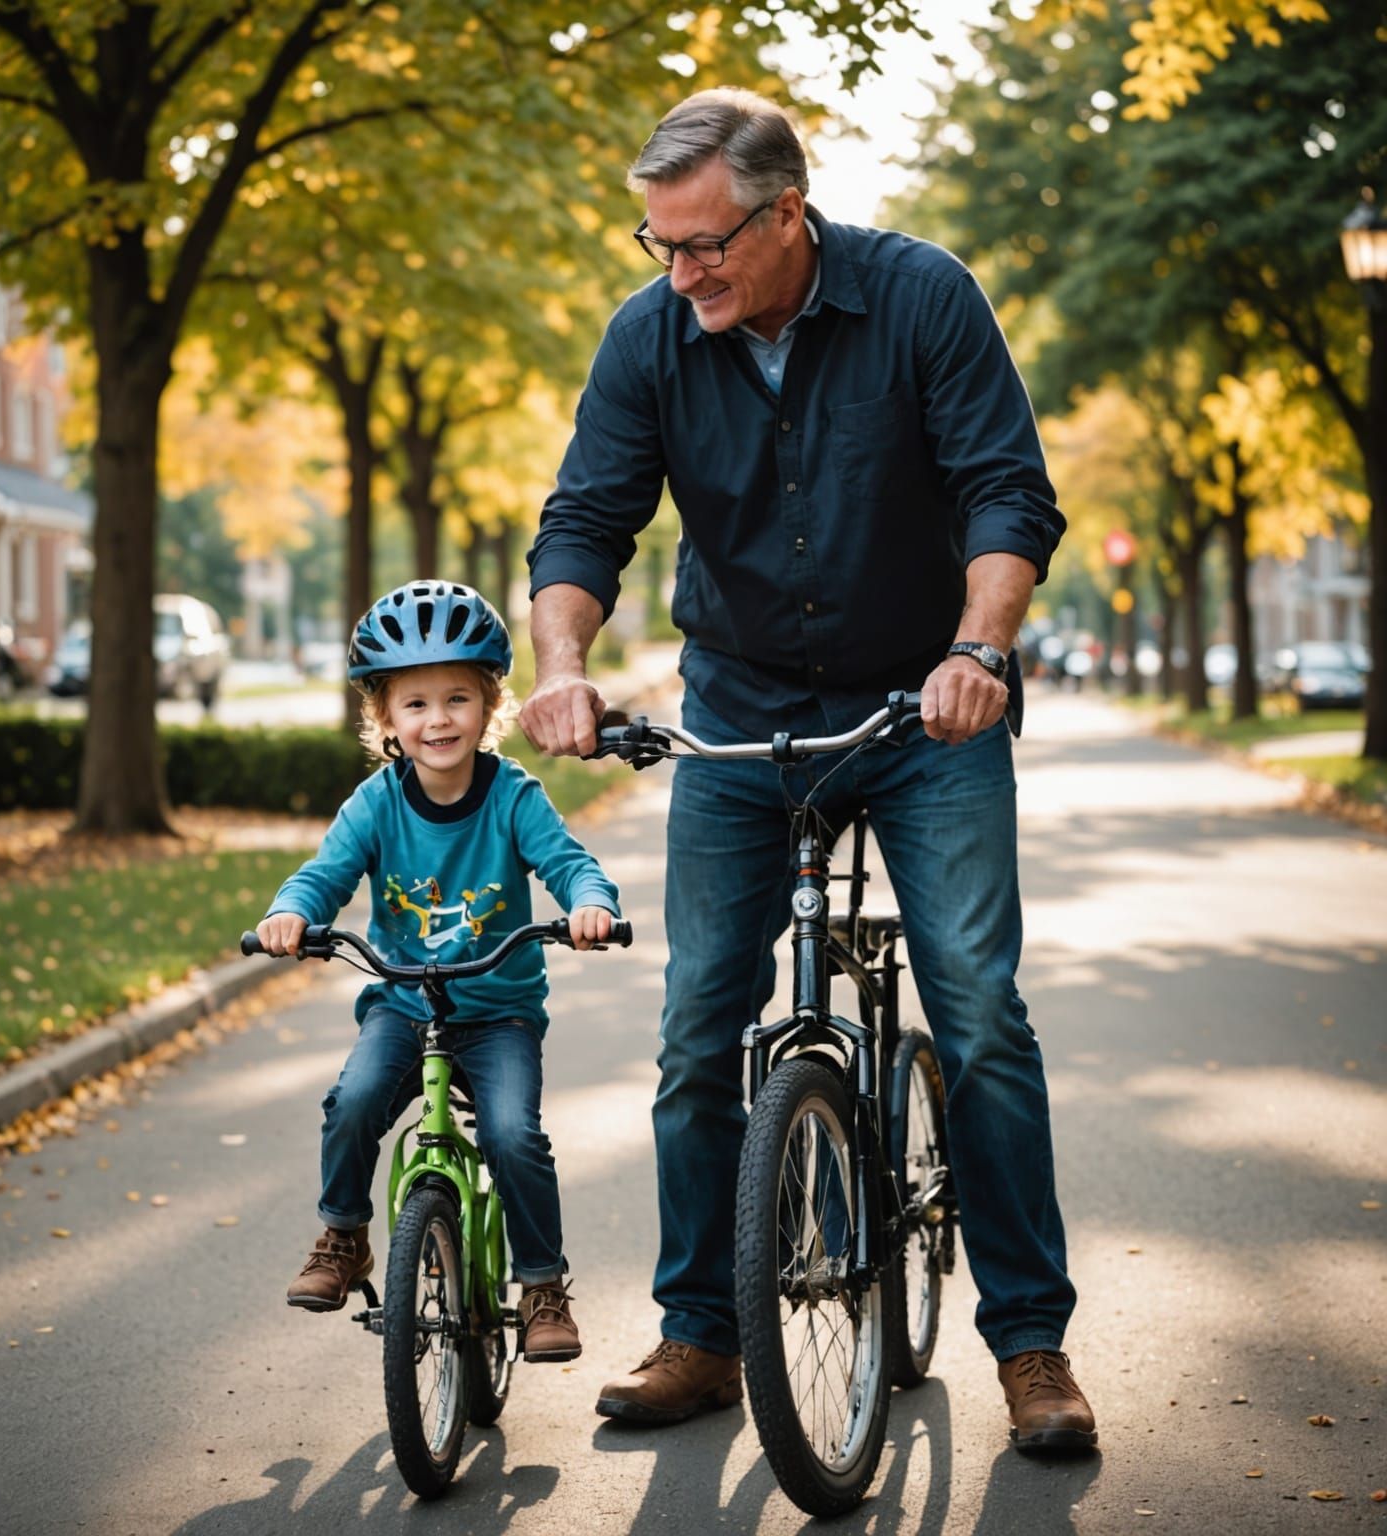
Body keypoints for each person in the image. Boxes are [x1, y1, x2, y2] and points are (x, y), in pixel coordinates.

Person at [521, 89, 1096, 1451]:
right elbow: (587, 516)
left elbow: (1008, 490)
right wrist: (560, 663)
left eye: (706, 243)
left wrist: (980, 649)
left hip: (923, 707)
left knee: (979, 1012)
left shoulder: (920, 298)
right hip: (740, 705)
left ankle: (1031, 1347)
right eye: (661, 247)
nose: (682, 273)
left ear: (788, 213)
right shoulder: (652, 334)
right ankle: (702, 1335)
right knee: (693, 1030)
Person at [255, 580, 621, 1363]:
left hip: (498, 1014)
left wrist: (589, 905)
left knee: (514, 1134)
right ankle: (344, 1235)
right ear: (385, 718)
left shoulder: (513, 797)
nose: (438, 719)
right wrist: (291, 914)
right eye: (415, 704)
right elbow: (323, 876)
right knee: (353, 1102)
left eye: (457, 698)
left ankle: (543, 1285)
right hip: (402, 1006)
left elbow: (569, 865)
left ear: (490, 704)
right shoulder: (375, 803)